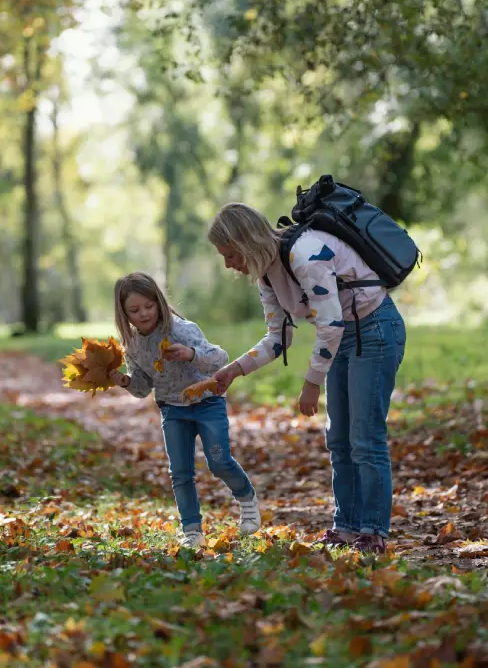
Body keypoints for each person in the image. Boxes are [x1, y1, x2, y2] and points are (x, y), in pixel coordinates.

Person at [208, 203, 405, 554]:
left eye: (231, 254)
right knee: (338, 439)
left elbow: (330, 324)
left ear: (248, 241)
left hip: (375, 330)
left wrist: (312, 382)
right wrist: (234, 370)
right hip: (344, 336)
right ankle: (346, 527)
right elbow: (277, 338)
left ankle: (373, 530)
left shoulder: (306, 253)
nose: (228, 264)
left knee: (365, 436)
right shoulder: (267, 274)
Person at [108, 271, 260, 547]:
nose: (143, 314)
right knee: (180, 472)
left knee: (219, 462)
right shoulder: (132, 345)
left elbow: (219, 359)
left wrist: (191, 354)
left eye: (149, 306)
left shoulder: (181, 329)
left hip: (207, 403)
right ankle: (192, 530)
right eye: (134, 310)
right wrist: (124, 381)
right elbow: (142, 387)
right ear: (124, 314)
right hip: (172, 410)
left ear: (159, 302)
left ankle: (247, 499)